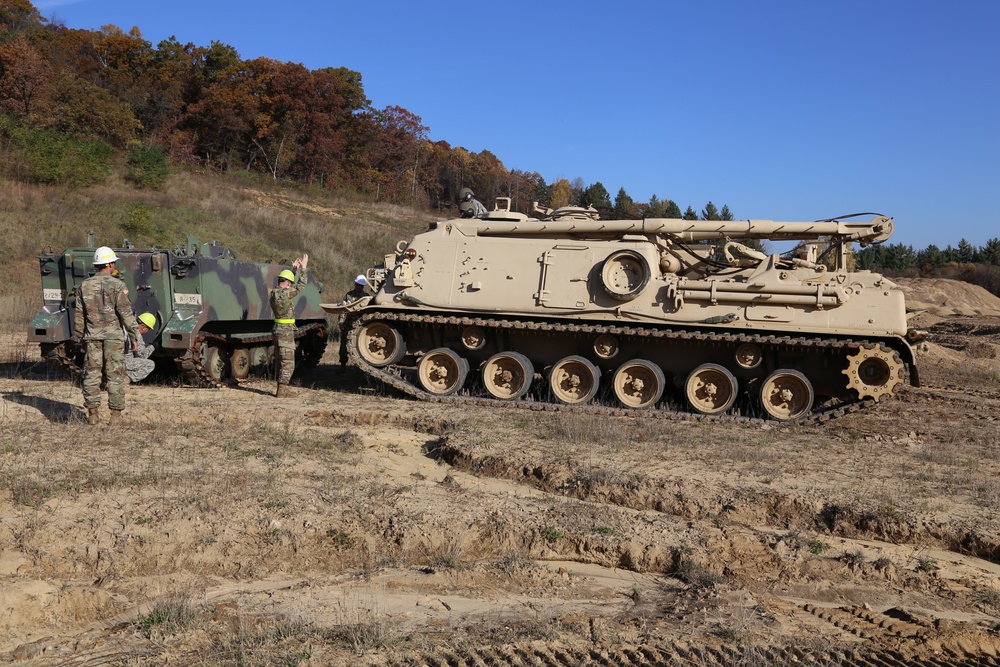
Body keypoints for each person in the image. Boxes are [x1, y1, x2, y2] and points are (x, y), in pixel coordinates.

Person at [74, 246, 141, 425]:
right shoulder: (118, 285)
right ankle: (115, 417)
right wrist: (134, 336)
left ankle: (93, 415)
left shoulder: (84, 285)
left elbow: (79, 315)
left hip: (92, 336)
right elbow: (125, 313)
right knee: (115, 376)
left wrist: (79, 337)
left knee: (92, 375)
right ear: (110, 264)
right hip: (114, 338)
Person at [270, 254, 308, 398]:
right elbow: (301, 285)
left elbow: (287, 285)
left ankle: (281, 387)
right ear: (288, 284)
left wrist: (292, 271)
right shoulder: (286, 294)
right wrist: (303, 269)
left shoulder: (274, 292)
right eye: (290, 283)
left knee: (280, 360)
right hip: (285, 331)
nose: (290, 285)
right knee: (288, 362)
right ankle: (282, 391)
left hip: (277, 328)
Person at [338, 275, 369, 366]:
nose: (359, 287)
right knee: (343, 345)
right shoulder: (349, 295)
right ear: (355, 284)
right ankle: (343, 364)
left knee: (359, 347)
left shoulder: (366, 297)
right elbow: (343, 309)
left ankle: (359, 366)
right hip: (348, 323)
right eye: (358, 285)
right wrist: (341, 322)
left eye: (361, 286)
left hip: (360, 325)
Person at [125, 312, 157, 384]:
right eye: (148, 329)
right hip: (124, 362)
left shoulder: (125, 328)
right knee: (150, 364)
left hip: (112, 360)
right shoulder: (136, 334)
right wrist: (153, 346)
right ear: (143, 327)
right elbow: (142, 355)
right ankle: (127, 378)